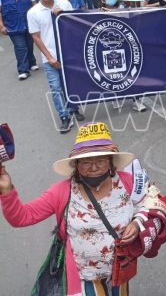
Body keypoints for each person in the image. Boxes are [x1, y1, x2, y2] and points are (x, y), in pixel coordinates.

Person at [0, 122, 151, 294]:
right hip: (84, 275)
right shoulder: (61, 191)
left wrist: (137, 223)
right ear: (76, 165)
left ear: (111, 162)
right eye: (86, 162)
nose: (93, 167)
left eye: (100, 160)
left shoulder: (128, 181)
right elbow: (22, 217)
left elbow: (150, 203)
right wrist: (6, 190)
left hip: (120, 269)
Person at [27, 0, 83, 132]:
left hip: (69, 54)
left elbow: (75, 23)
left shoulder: (64, 4)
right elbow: (36, 37)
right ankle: (64, 116)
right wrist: (50, 58)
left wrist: (63, 15)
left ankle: (74, 108)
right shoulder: (33, 12)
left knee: (71, 84)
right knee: (56, 87)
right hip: (50, 57)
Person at [0, 0, 38, 80]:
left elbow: (34, 4)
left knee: (29, 44)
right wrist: (2, 26)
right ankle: (23, 70)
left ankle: (32, 62)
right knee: (20, 47)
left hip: (28, 23)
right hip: (12, 25)